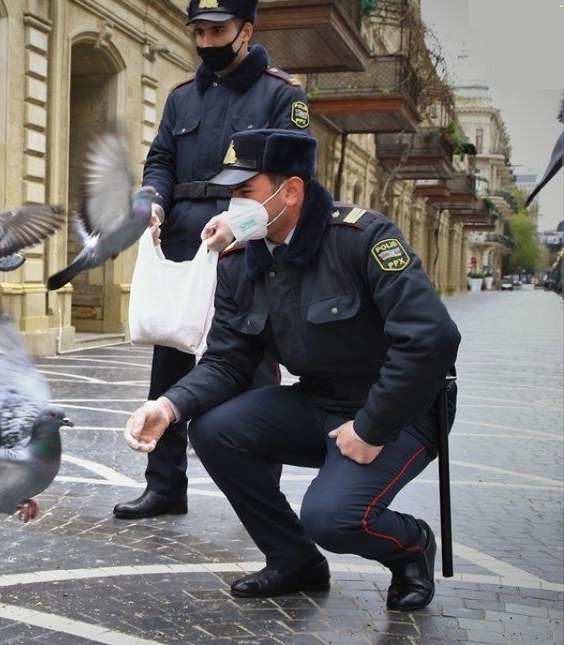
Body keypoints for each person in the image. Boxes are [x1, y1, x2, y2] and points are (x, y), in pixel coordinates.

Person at [124, 128, 460, 611]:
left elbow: (432, 338)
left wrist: (372, 428)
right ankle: (294, 560)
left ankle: (410, 547)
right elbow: (228, 358)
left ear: (292, 191)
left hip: (402, 409)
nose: (233, 205)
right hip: (319, 399)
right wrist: (169, 406)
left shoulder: (363, 237)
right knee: (216, 430)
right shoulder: (242, 259)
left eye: (245, 192)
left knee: (332, 518)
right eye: (231, 192)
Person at [117, 0, 311, 520]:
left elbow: (293, 178)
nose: (205, 42)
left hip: (246, 251)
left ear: (245, 31)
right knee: (170, 367)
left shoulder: (281, 92)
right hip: (184, 245)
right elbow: (159, 161)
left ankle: (261, 501)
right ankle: (164, 486)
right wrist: (150, 202)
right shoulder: (182, 97)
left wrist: (242, 223)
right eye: (198, 31)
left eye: (217, 30)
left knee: (250, 373)